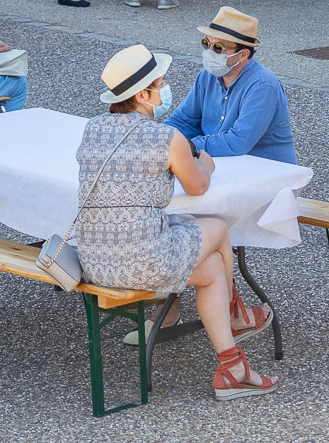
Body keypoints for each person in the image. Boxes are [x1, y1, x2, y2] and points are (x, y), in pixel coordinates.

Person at [76, 44, 277, 401]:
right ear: (142, 95)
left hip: (93, 261)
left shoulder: (92, 128)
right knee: (217, 228)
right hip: (140, 263)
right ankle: (236, 316)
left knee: (210, 267)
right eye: (160, 83)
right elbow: (198, 187)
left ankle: (232, 364)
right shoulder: (166, 138)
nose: (165, 89)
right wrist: (206, 166)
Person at [167, 7, 295, 164]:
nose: (209, 52)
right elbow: (183, 120)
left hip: (267, 169)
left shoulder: (263, 85)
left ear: (243, 54)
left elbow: (238, 142)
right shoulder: (207, 75)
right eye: (206, 44)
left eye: (218, 48)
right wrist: (159, 137)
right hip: (225, 162)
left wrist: (188, 146)